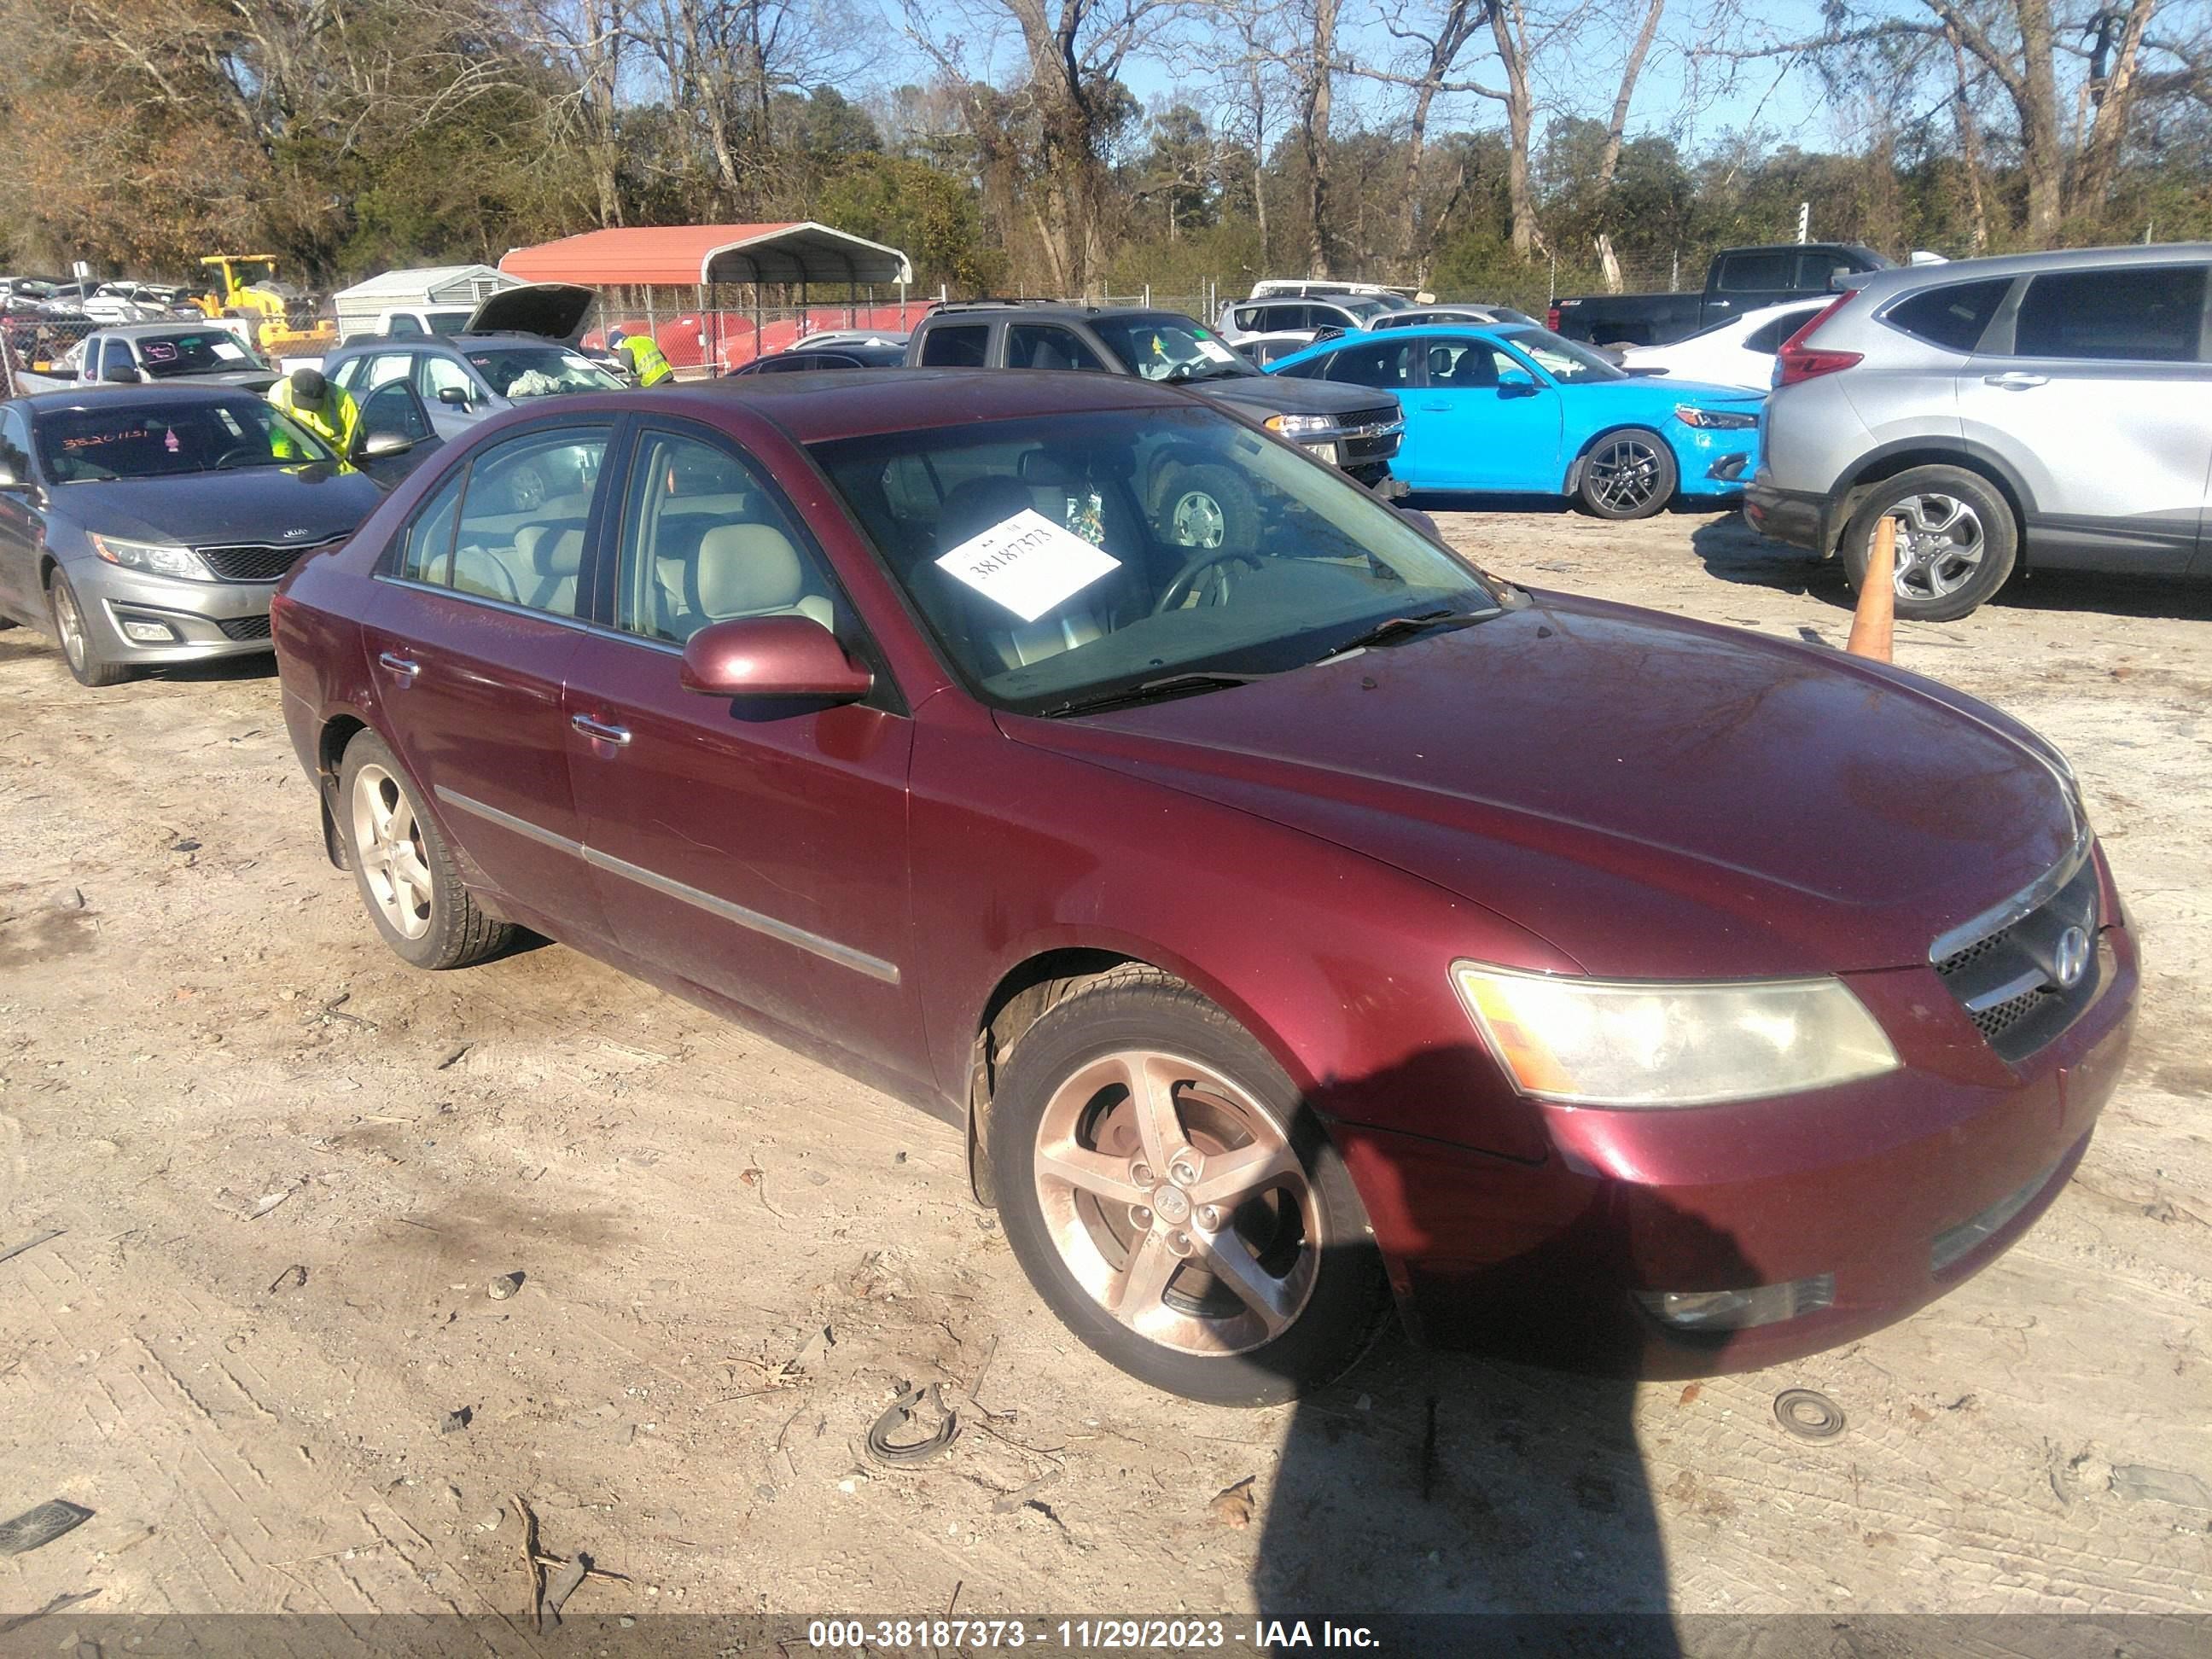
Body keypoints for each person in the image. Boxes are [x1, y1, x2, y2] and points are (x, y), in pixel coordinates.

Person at [265, 366, 358, 458]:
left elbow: (355, 437)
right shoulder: (280, 394)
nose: (310, 407)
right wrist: (284, 465)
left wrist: (340, 462)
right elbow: (280, 438)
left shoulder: (342, 398)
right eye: (305, 402)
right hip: (299, 459)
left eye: (314, 403)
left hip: (334, 458)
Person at [607, 327, 673, 387]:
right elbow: (663, 357)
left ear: (617, 343)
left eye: (615, 349)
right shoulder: (646, 339)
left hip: (652, 380)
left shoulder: (626, 346)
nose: (618, 352)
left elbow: (624, 370)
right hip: (667, 374)